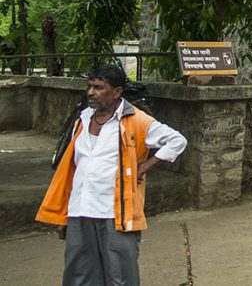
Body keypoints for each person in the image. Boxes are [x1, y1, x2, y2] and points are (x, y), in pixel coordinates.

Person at [37, 64, 188, 285]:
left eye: (98, 87)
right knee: (79, 276)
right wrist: (64, 216)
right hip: (80, 211)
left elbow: (177, 141)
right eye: (89, 86)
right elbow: (74, 170)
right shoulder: (82, 119)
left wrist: (144, 167)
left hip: (115, 213)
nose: (90, 92)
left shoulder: (136, 120)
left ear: (116, 92)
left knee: (120, 277)